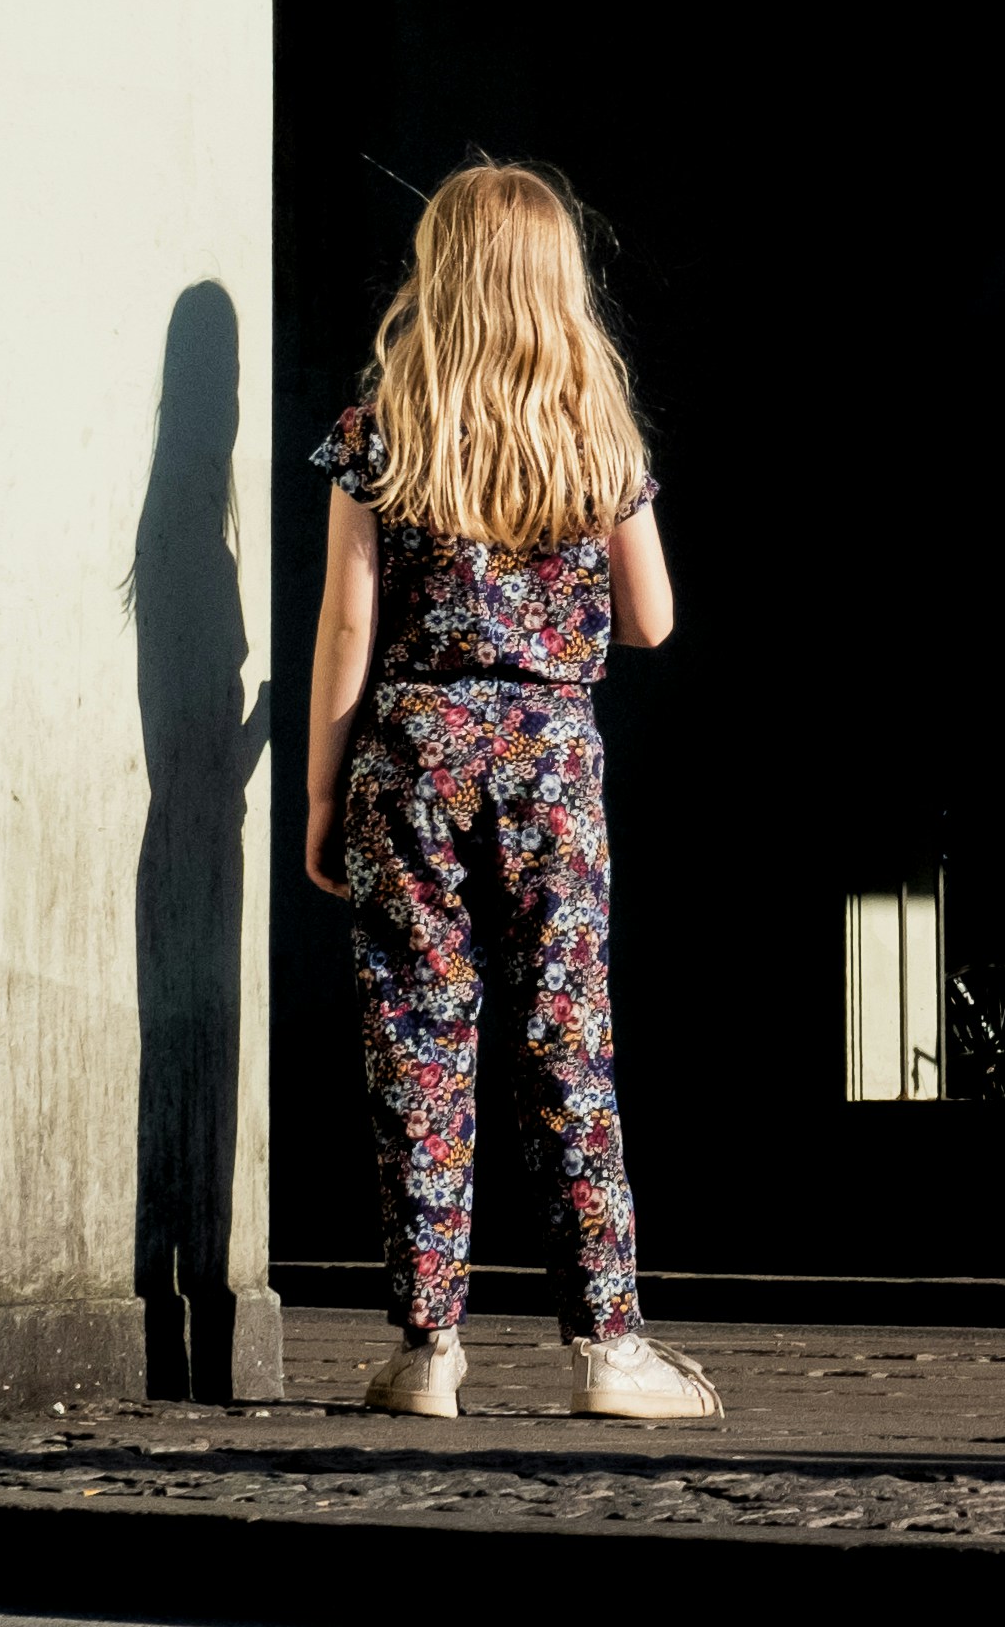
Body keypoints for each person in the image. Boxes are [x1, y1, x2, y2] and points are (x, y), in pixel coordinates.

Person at [304, 160, 721, 1423]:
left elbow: (347, 626)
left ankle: (428, 1347)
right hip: (550, 759)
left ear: (439, 275)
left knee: (419, 1043)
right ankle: (609, 1349)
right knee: (567, 1037)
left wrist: (321, 792)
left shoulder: (382, 428)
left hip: (412, 751)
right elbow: (653, 616)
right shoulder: (597, 431)